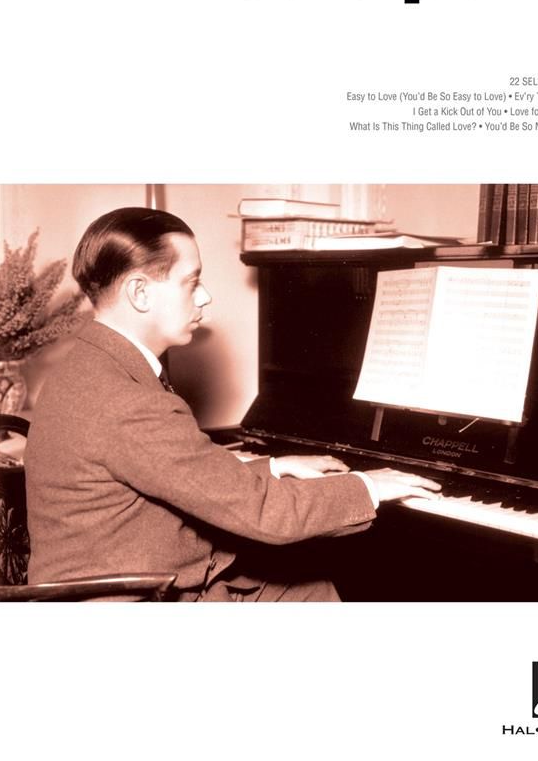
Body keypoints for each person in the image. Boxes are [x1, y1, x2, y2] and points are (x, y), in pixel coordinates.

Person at [25, 207, 440, 601]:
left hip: (93, 586)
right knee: (310, 584)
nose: (205, 296)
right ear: (140, 292)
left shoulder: (88, 363)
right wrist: (370, 486)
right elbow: (265, 514)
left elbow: (176, 472)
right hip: (132, 599)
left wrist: (273, 467)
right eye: (192, 282)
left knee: (306, 585)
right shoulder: (128, 400)